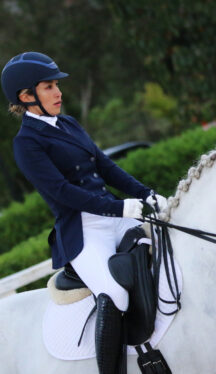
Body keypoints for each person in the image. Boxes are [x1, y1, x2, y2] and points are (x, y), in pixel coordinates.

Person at [1, 52, 167, 374]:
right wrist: (118, 207)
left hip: (114, 216)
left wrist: (145, 193)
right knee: (115, 294)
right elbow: (62, 192)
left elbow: (106, 167)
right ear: (26, 96)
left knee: (166, 244)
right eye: (49, 86)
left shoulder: (69, 123)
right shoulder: (26, 143)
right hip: (83, 230)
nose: (58, 92)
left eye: (57, 85)